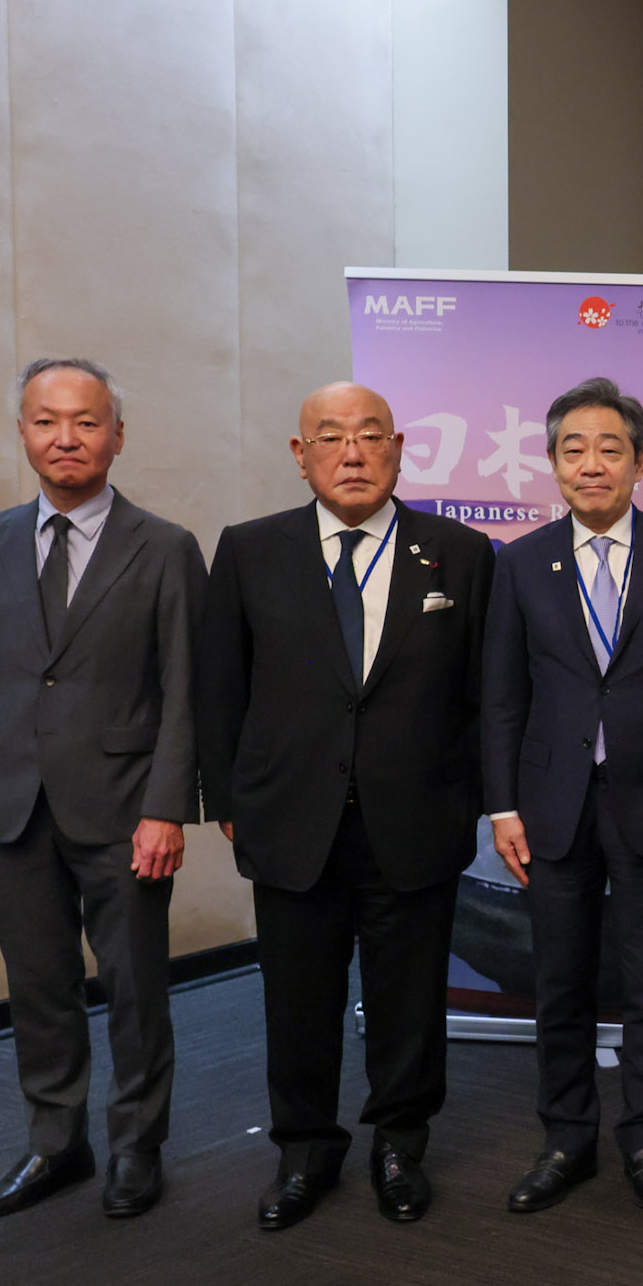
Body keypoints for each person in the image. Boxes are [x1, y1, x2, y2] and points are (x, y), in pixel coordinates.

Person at [198, 381, 495, 1230]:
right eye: (331, 438)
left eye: (370, 436)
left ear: (400, 449)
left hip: (415, 819)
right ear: (302, 457)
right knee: (298, 997)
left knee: (410, 999)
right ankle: (304, 1151)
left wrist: (466, 798)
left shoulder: (459, 554)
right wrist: (230, 800)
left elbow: (484, 693)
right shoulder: (251, 551)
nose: (352, 453)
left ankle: (400, 1145)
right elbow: (222, 689)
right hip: (291, 820)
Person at [0, 358, 206, 1221]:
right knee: (39, 986)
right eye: (47, 421)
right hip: (9, 804)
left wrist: (168, 806)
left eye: (86, 422)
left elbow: (186, 693)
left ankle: (137, 1147)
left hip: (126, 811)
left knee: (135, 987)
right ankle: (58, 1144)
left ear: (117, 436)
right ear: (22, 432)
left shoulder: (164, 548)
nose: (66, 437)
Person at [482, 377, 643, 1215]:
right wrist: (502, 805)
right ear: (551, 463)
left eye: (610, 449)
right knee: (559, 976)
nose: (593, 465)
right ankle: (566, 1138)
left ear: (640, 461)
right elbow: (502, 697)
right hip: (551, 800)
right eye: (574, 450)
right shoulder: (518, 565)